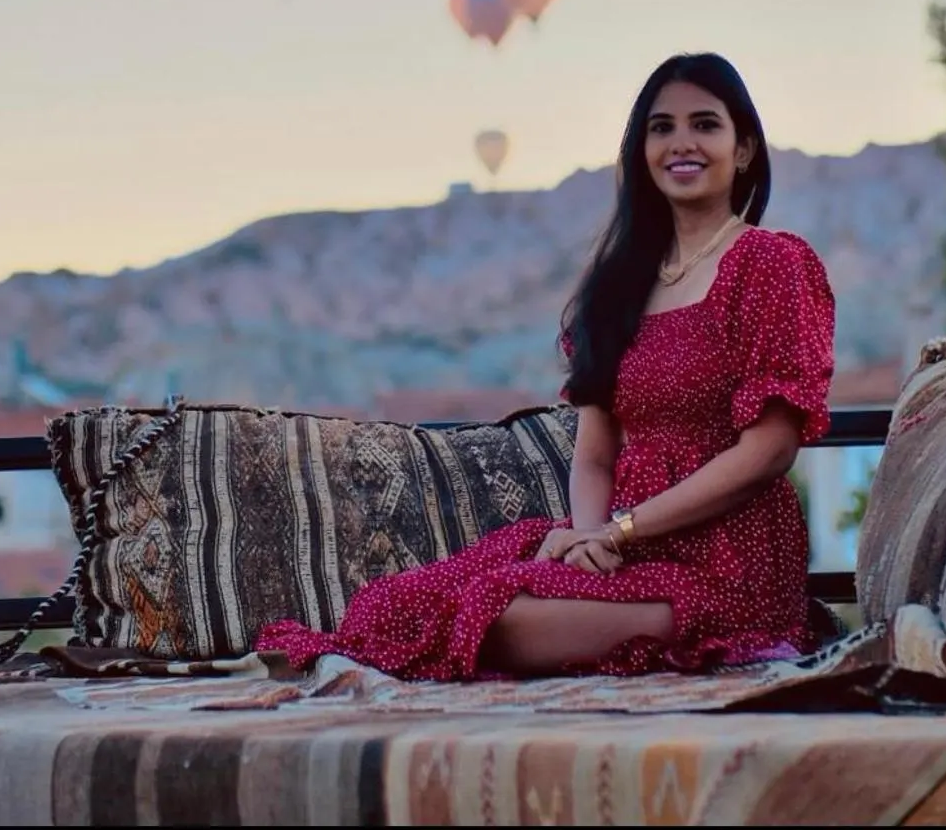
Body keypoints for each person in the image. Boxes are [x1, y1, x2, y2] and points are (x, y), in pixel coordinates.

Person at [256, 51, 836, 681]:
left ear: (744, 148)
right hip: (615, 542)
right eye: (661, 127)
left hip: (727, 556)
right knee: (399, 602)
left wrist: (622, 531)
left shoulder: (770, 265)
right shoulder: (619, 287)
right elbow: (594, 454)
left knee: (503, 619)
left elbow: (769, 451)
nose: (682, 143)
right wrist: (588, 539)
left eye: (705, 124)